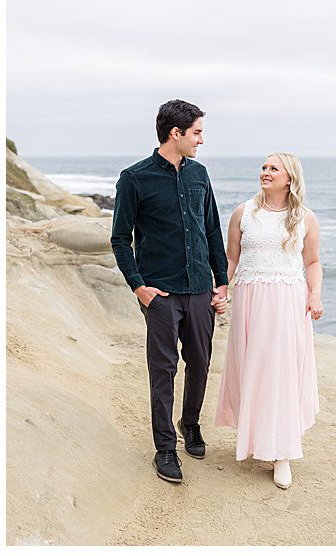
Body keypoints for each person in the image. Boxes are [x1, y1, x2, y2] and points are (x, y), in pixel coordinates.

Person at [110, 99, 229, 484]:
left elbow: (212, 229)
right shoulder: (134, 178)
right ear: (175, 133)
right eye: (196, 133)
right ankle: (164, 448)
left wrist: (221, 280)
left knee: (200, 362)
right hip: (159, 293)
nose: (201, 140)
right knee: (162, 370)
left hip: (200, 289)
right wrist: (139, 287)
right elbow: (119, 238)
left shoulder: (200, 175)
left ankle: (189, 423)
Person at [214, 152, 323, 490]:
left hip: (287, 302)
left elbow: (313, 263)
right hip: (249, 301)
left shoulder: (305, 218)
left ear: (289, 178)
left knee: (281, 372)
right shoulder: (243, 212)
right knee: (253, 369)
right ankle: (256, 439)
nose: (265, 172)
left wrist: (315, 295)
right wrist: (221, 289)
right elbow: (231, 259)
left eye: (273, 168)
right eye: (264, 167)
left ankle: (282, 453)